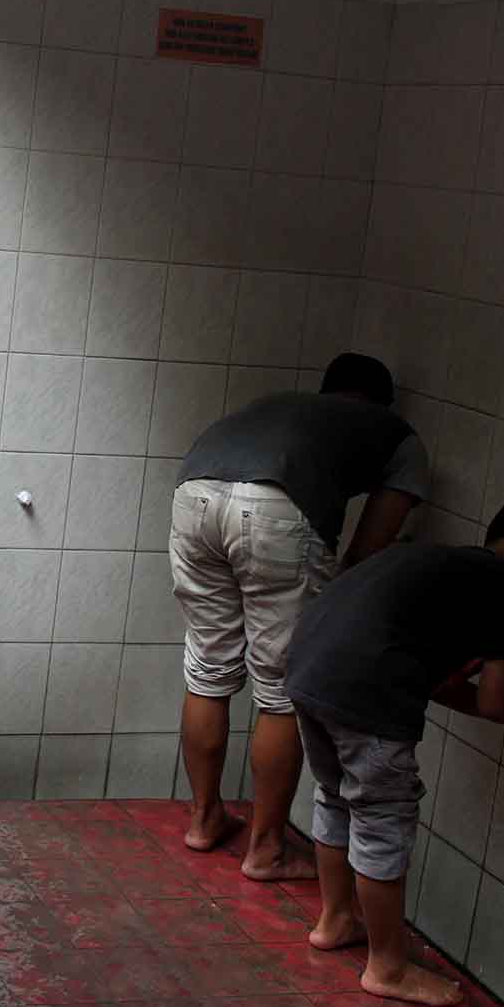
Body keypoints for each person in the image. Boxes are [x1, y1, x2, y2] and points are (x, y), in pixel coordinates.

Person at [286, 489, 504, 1006]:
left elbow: (443, 684)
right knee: (382, 819)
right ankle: (388, 968)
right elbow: (494, 700)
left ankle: (335, 919)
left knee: (336, 797)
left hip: (309, 668)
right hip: (366, 690)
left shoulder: (448, 568)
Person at [169, 352, 428, 880]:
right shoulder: (398, 437)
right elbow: (366, 554)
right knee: (280, 689)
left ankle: (203, 819)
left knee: (209, 666)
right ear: (382, 403)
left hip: (193, 495)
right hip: (275, 510)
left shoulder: (277, 406)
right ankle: (266, 849)